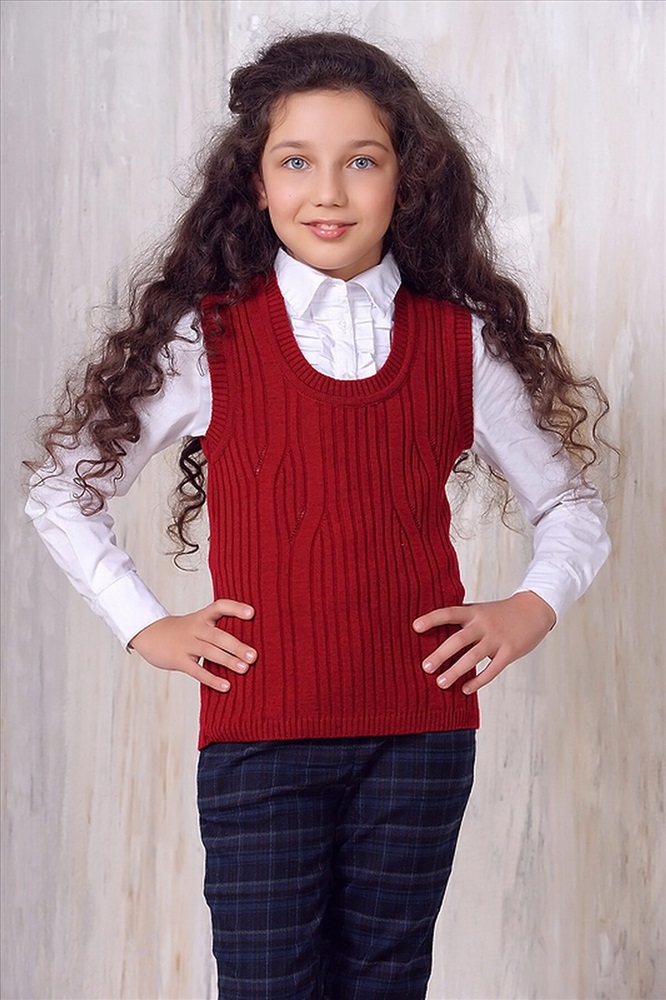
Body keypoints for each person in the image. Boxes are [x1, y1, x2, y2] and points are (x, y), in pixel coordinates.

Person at [25, 30, 612, 1000]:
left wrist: (527, 608)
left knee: (387, 982)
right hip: (260, 739)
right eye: (296, 161)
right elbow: (60, 490)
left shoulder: (457, 342)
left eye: (362, 161)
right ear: (255, 184)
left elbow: (571, 505)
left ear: (406, 180)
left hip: (419, 737)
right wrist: (145, 625)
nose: (329, 192)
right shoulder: (210, 338)